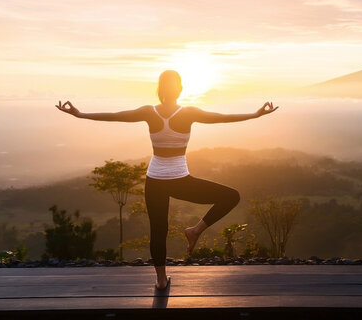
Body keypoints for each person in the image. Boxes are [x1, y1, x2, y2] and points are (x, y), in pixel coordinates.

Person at [56, 70, 278, 290]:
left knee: (158, 230)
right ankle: (196, 230)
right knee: (231, 196)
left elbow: (116, 115)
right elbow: (222, 118)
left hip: (155, 181)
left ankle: (161, 281)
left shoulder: (148, 112)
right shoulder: (188, 112)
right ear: (180, 89)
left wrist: (81, 114)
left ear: (159, 89)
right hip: (181, 181)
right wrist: (255, 115)